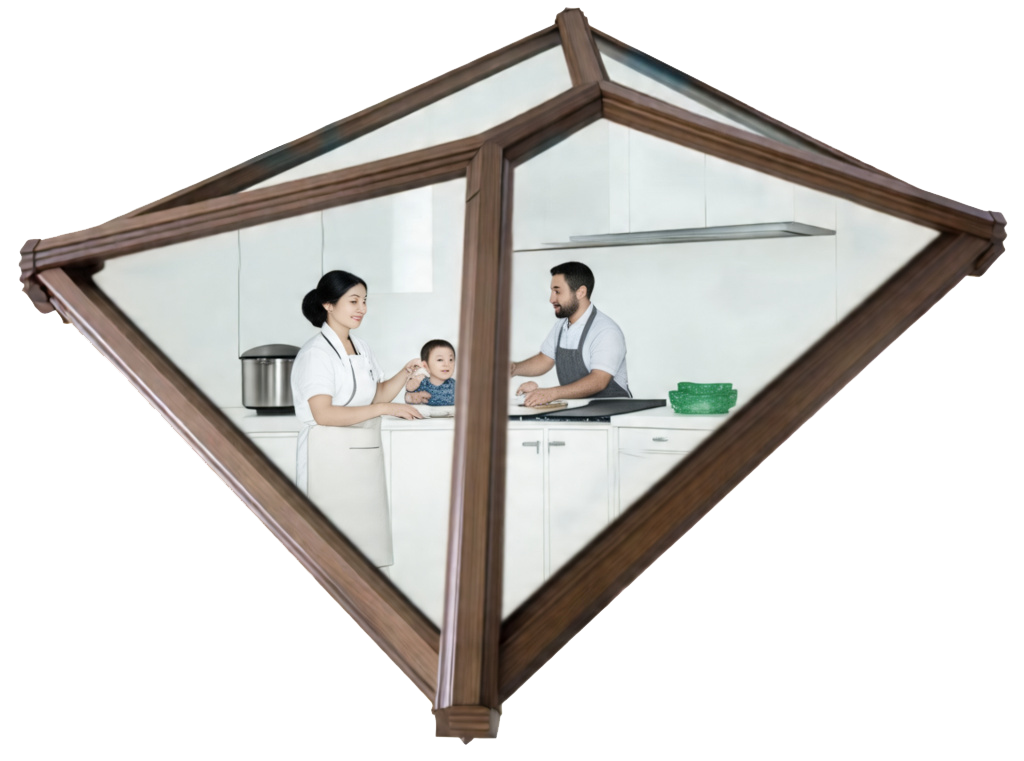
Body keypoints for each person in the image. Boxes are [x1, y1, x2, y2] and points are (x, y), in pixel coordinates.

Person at [291, 270, 425, 494]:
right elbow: (323, 414)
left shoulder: (361, 347)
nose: (362, 309)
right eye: (354, 301)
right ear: (328, 305)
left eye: (364, 301)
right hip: (326, 454)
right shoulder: (316, 353)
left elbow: (376, 395)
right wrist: (385, 409)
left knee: (362, 523)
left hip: (362, 449)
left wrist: (405, 372)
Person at [511, 261, 630, 407]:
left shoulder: (606, 331)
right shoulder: (561, 326)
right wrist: (514, 368)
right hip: (580, 410)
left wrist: (551, 393)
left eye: (557, 291)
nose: (551, 299)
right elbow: (544, 359)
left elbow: (599, 380)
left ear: (580, 292)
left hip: (613, 414)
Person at [405, 339, 456, 406]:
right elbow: (407, 396)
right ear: (425, 365)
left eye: (450, 359)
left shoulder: (455, 385)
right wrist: (414, 397)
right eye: (440, 360)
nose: (447, 364)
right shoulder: (422, 383)